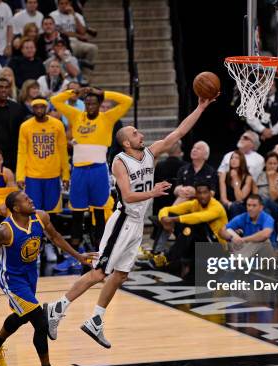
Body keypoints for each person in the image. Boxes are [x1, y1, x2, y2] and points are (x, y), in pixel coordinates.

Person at [45, 95, 215, 348]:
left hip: (136, 225)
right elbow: (127, 195)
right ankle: (56, 309)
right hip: (123, 221)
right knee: (99, 273)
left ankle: (96, 320)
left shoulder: (149, 153)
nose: (141, 134)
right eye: (135, 133)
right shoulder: (119, 162)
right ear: (126, 141)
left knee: (121, 275)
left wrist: (200, 106)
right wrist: (154, 192)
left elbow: (178, 132)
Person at [0, 191, 92, 366]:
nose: (30, 199)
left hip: (31, 274)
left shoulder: (41, 216)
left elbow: (55, 237)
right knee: (40, 322)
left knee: (23, 316)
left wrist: (79, 256)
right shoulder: (4, 231)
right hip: (12, 280)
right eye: (25, 199)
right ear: (15, 208)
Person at [51, 86, 132, 251]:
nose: (90, 106)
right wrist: (74, 93)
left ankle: (100, 250)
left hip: (98, 170)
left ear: (99, 104)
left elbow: (127, 101)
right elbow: (55, 100)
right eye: (87, 103)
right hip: (79, 170)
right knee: (77, 211)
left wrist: (104, 93)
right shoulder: (76, 115)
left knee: (99, 211)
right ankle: (74, 252)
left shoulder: (108, 117)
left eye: (94, 103)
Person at [17, 98, 68, 213]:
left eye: (42, 107)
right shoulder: (25, 126)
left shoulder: (58, 125)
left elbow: (63, 151)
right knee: (33, 210)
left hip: (53, 174)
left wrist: (66, 175)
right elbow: (22, 153)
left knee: (52, 211)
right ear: (32, 109)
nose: (39, 110)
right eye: (36, 107)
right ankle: (36, 232)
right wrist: (20, 176)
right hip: (32, 176)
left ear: (47, 108)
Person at [49, 0, 97, 76]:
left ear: (70, 4)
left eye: (66, 3)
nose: (64, 5)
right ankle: (71, 73)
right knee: (71, 48)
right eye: (61, 3)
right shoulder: (53, 15)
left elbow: (82, 31)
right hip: (63, 42)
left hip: (77, 42)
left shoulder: (77, 15)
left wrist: (74, 15)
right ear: (58, 5)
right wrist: (78, 36)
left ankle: (84, 76)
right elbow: (61, 31)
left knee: (92, 48)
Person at [246, 81, 278, 155]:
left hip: (276, 138)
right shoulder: (254, 99)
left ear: (275, 88)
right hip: (257, 137)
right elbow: (250, 117)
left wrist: (271, 132)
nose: (269, 88)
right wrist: (262, 130)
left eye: (272, 85)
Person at [218, 150, 257, 217]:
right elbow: (223, 198)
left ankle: (234, 227)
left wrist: (235, 179)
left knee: (235, 206)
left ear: (242, 161)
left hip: (242, 206)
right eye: (232, 158)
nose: (233, 160)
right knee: (221, 206)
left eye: (237, 158)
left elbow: (239, 199)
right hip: (228, 204)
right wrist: (229, 203)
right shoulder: (224, 175)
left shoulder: (248, 178)